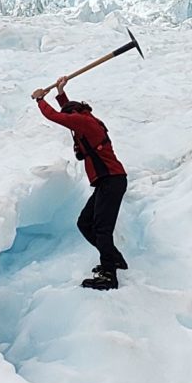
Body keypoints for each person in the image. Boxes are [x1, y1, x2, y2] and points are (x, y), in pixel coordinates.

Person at [34, 78, 129, 290]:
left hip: (111, 181)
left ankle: (109, 275)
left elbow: (57, 116)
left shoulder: (84, 123)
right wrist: (60, 93)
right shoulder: (85, 119)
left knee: (102, 229)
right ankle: (112, 258)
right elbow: (68, 113)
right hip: (108, 183)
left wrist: (40, 99)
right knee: (85, 223)